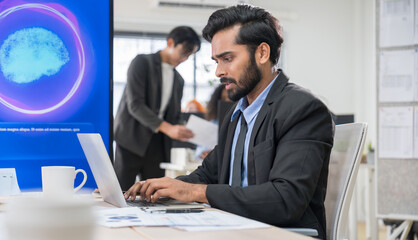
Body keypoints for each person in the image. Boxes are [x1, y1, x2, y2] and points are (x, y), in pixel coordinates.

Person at [124, 5, 334, 239]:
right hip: (234, 226)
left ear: (262, 53)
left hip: (280, 233)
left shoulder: (302, 109)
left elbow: (285, 200)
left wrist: (194, 192)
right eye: (216, 61)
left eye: (227, 59)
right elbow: (207, 175)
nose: (218, 71)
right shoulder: (236, 112)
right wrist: (161, 188)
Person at [113, 26, 201, 191]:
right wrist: (169, 129)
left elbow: (173, 116)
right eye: (184, 52)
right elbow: (135, 105)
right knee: (121, 192)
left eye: (190, 55)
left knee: (153, 194)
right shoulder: (141, 63)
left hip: (158, 145)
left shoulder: (178, 80)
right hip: (130, 139)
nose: (185, 58)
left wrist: (182, 129)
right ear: (170, 42)